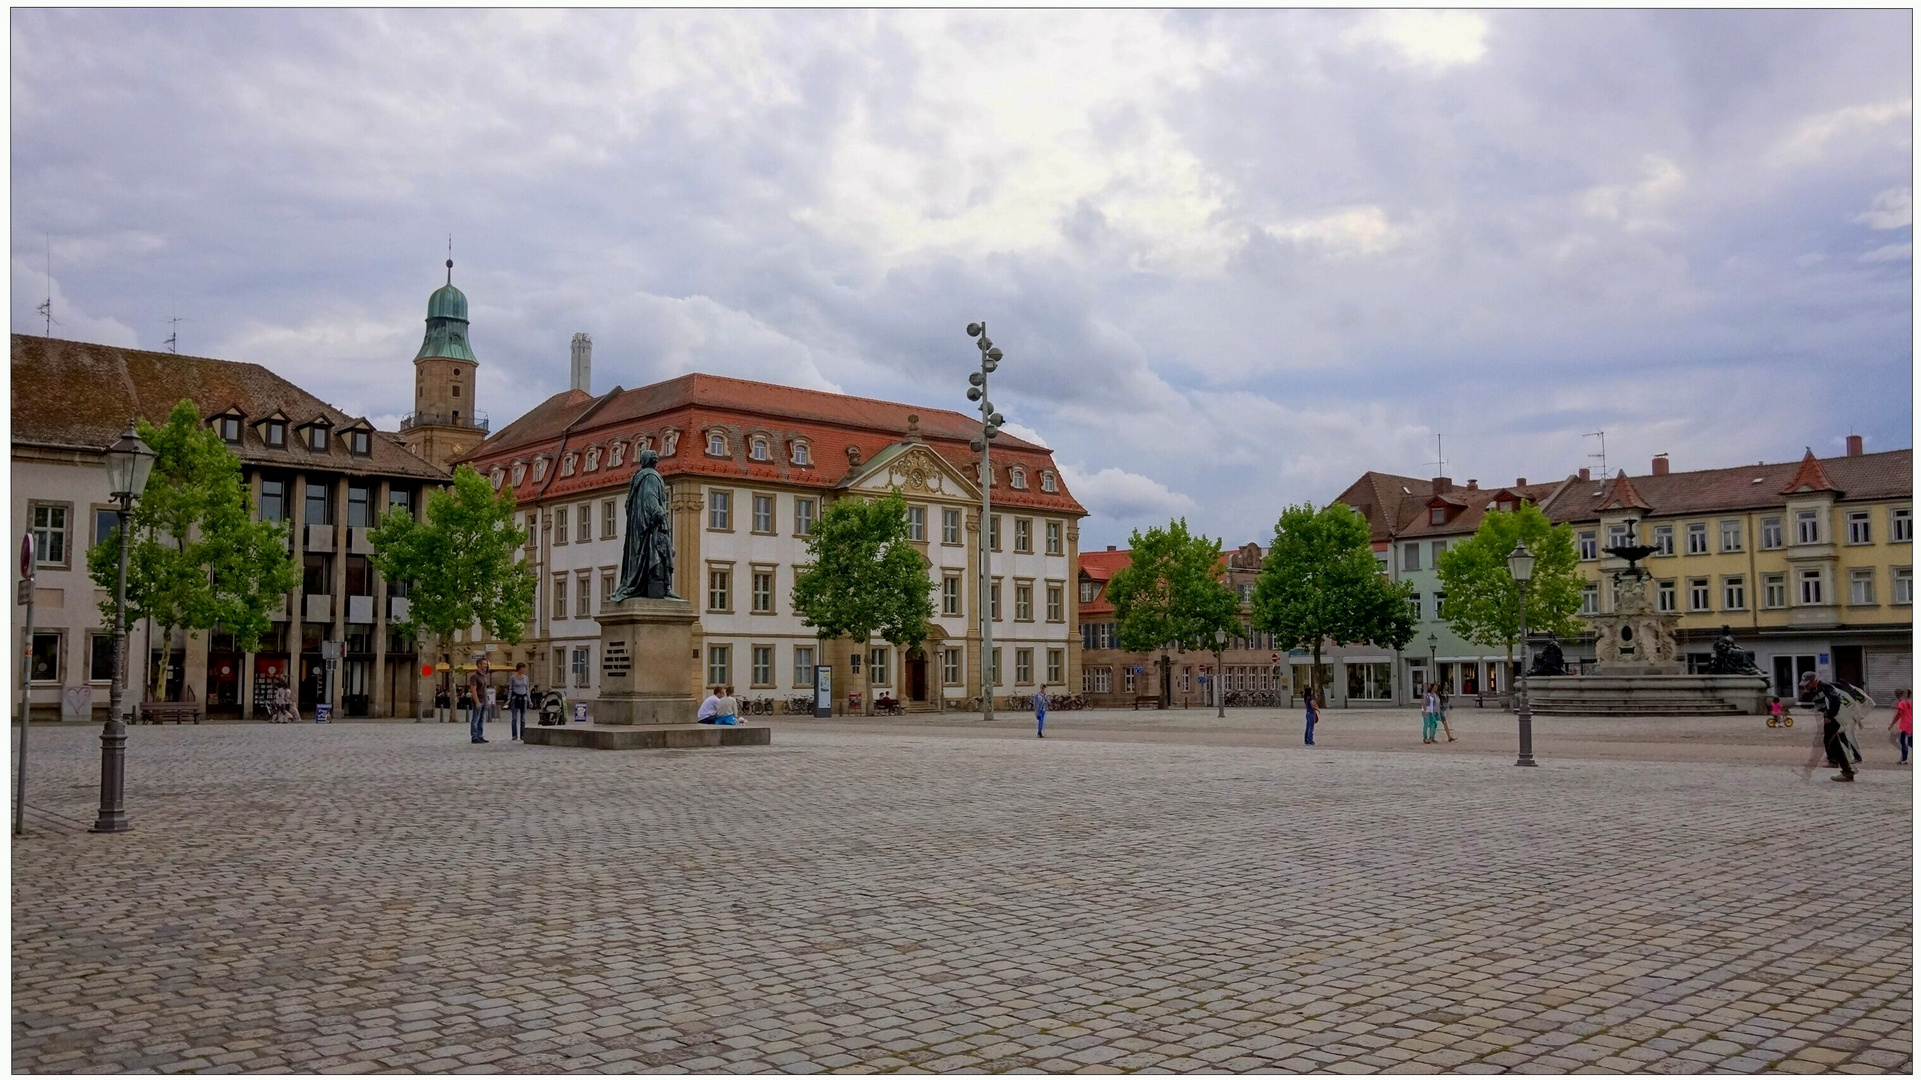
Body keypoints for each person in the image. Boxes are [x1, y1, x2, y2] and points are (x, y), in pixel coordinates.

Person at [1801, 671, 1853, 782]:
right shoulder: (1811, 690)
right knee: (1833, 744)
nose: (1806, 685)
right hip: (1826, 719)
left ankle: (1808, 770)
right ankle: (1847, 772)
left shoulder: (1826, 687)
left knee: (1824, 743)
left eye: (1808, 683)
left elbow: (1836, 701)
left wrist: (1829, 714)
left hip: (1834, 718)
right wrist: (1806, 692)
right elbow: (1805, 706)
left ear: (1814, 680)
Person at [466, 660, 491, 744]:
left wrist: (486, 701)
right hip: (478, 700)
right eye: (484, 664)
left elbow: (484, 689)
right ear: (478, 665)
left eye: (486, 664)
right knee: (475, 718)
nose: (485, 666)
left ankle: (480, 736)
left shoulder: (484, 675)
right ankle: (474, 736)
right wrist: (476, 702)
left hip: (484, 699)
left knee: (481, 719)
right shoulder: (474, 676)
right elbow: (473, 690)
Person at [507, 663, 531, 741]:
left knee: (523, 718)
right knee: (514, 718)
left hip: (523, 698)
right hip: (515, 698)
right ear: (519, 669)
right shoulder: (513, 677)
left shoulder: (526, 678)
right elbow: (510, 688)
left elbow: (527, 689)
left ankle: (522, 735)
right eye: (523, 668)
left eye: (524, 668)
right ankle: (514, 735)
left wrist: (529, 700)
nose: (524, 670)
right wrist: (509, 699)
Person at [1887, 689, 1911, 765]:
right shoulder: (1908, 702)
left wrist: (1893, 725)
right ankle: (1903, 757)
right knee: (1907, 742)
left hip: (1902, 725)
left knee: (1901, 742)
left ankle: (1904, 757)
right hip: (1908, 724)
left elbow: (1897, 715)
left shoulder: (1899, 703)